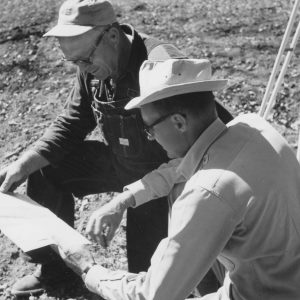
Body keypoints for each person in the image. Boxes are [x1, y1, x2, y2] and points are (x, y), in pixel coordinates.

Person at [0, 0, 233, 296]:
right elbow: (73, 121)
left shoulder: (161, 66)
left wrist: (129, 199)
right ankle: (57, 271)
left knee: (145, 275)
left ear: (111, 35)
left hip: (163, 181)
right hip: (119, 163)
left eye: (85, 59)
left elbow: (209, 136)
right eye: (75, 63)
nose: (83, 69)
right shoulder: (92, 63)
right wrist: (25, 162)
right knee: (46, 167)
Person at [59, 58, 300, 300]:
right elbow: (180, 169)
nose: (151, 138)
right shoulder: (252, 126)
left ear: (179, 122)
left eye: (149, 129)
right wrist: (124, 199)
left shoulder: (206, 192)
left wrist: (90, 271)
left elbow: (152, 295)